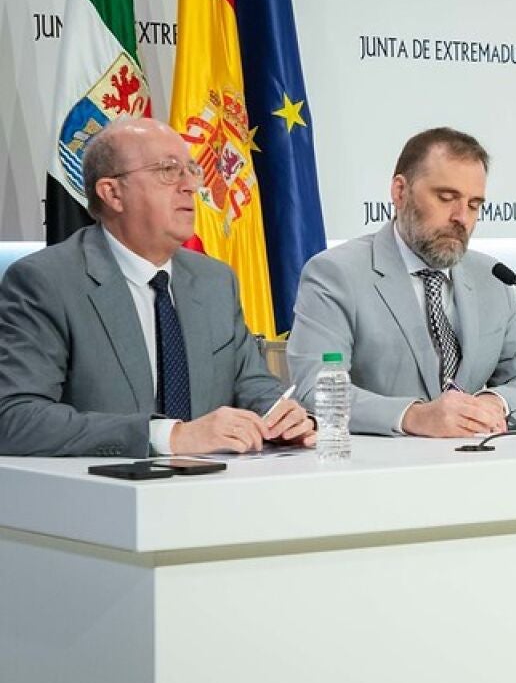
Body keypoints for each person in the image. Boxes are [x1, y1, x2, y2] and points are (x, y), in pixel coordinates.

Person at [0, 117, 314, 457]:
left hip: (216, 483)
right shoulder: (46, 281)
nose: (190, 186)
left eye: (191, 170)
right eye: (168, 170)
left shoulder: (215, 280)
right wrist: (169, 436)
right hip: (105, 486)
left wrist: (280, 416)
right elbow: (14, 417)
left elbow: (251, 383)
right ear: (113, 193)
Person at [287, 127, 516, 437]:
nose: (462, 218)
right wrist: (414, 416)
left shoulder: (492, 278)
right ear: (399, 192)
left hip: (476, 459)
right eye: (446, 198)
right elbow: (314, 389)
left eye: (474, 205)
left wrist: (492, 404)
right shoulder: (335, 274)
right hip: (377, 463)